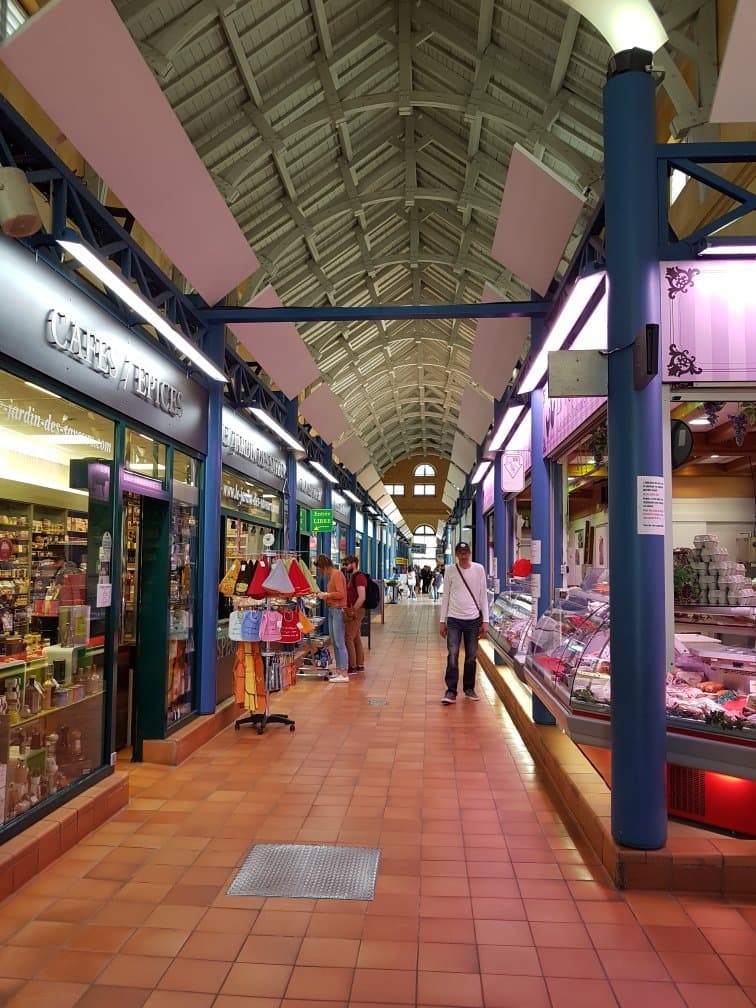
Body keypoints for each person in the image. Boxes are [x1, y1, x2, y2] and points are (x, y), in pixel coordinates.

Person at [439, 542, 489, 704]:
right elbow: (445, 595)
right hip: (454, 619)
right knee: (452, 654)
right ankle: (451, 691)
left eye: (465, 552)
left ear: (470, 552)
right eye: (460, 552)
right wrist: (442, 621)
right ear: (456, 554)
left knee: (471, 656)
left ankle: (469, 688)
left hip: (473, 620)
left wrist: (486, 621)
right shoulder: (450, 570)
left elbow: (483, 596)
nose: (463, 555)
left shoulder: (479, 569)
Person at [314, 554, 349, 683]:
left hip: (337, 610)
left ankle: (344, 672)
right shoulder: (332, 576)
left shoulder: (336, 575)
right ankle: (340, 670)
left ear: (324, 567)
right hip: (333, 609)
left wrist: (326, 595)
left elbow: (341, 594)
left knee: (339, 642)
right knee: (335, 642)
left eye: (320, 569)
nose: (320, 572)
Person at [342, 554, 366, 674]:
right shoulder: (353, 577)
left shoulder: (359, 577)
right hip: (354, 609)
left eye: (346, 564)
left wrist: (352, 611)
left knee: (348, 638)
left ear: (354, 564)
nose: (345, 567)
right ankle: (359, 664)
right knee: (355, 637)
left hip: (356, 610)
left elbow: (362, 597)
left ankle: (352, 666)